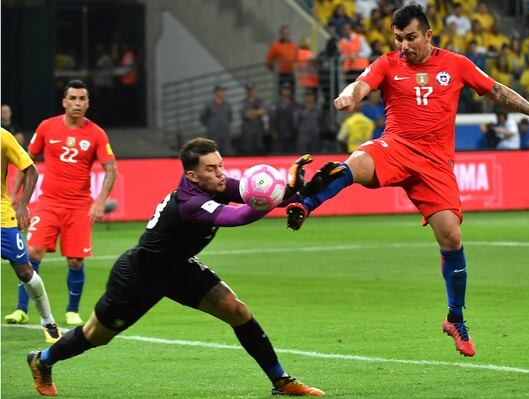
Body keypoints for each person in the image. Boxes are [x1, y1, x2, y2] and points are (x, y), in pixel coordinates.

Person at [285, 4, 529, 358]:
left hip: (435, 164)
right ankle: (305, 205)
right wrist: (350, 95)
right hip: (395, 146)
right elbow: (362, 82)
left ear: (428, 35)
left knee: (452, 237)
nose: (404, 45)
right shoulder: (387, 63)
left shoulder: (456, 65)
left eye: (411, 38)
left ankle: (455, 318)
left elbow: (496, 90)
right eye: (398, 39)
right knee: (355, 163)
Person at [26, 138, 324, 397]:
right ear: (193, 175)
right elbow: (238, 217)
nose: (220, 174)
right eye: (211, 169)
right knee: (96, 335)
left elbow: (264, 196)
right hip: (140, 276)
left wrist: (300, 189)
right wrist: (273, 199)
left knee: (237, 311)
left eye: (220, 165)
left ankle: (281, 380)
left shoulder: (216, 185)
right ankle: (43, 360)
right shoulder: (189, 202)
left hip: (179, 269)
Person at [5, 80, 118, 327]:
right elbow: (26, 162)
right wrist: (15, 198)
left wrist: (100, 201)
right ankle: (21, 309)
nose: (77, 103)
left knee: (75, 260)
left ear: (87, 103)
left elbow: (111, 169)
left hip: (78, 206)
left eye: (82, 99)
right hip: (49, 203)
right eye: (73, 98)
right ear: (64, 101)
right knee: (32, 252)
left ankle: (72, 310)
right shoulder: (47, 127)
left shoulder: (96, 133)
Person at [1, 128, 62, 344]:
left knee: (25, 272)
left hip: (2, 218)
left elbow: (31, 170)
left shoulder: (3, 137)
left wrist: (23, 205)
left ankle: (48, 321)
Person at [200, 85, 233, 155]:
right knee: (213, 153)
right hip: (213, 135)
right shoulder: (208, 105)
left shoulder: (227, 105)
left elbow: (230, 118)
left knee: (226, 153)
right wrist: (211, 126)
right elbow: (203, 118)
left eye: (223, 91)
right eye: (221, 91)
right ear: (216, 92)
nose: (223, 93)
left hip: (225, 133)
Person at [266, 25, 298, 90]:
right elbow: (268, 60)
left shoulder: (293, 45)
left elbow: (296, 58)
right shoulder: (275, 46)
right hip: (281, 74)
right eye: (284, 33)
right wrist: (274, 69)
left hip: (291, 73)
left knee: (292, 91)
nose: (286, 35)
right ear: (281, 34)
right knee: (282, 93)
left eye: (287, 33)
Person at [240, 83, 267, 155]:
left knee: (259, 149)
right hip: (248, 130)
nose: (250, 92)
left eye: (251, 90)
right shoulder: (243, 102)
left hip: (258, 129)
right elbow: (246, 115)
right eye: (248, 90)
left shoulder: (259, 101)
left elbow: (262, 112)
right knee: (248, 150)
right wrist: (256, 112)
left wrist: (251, 112)